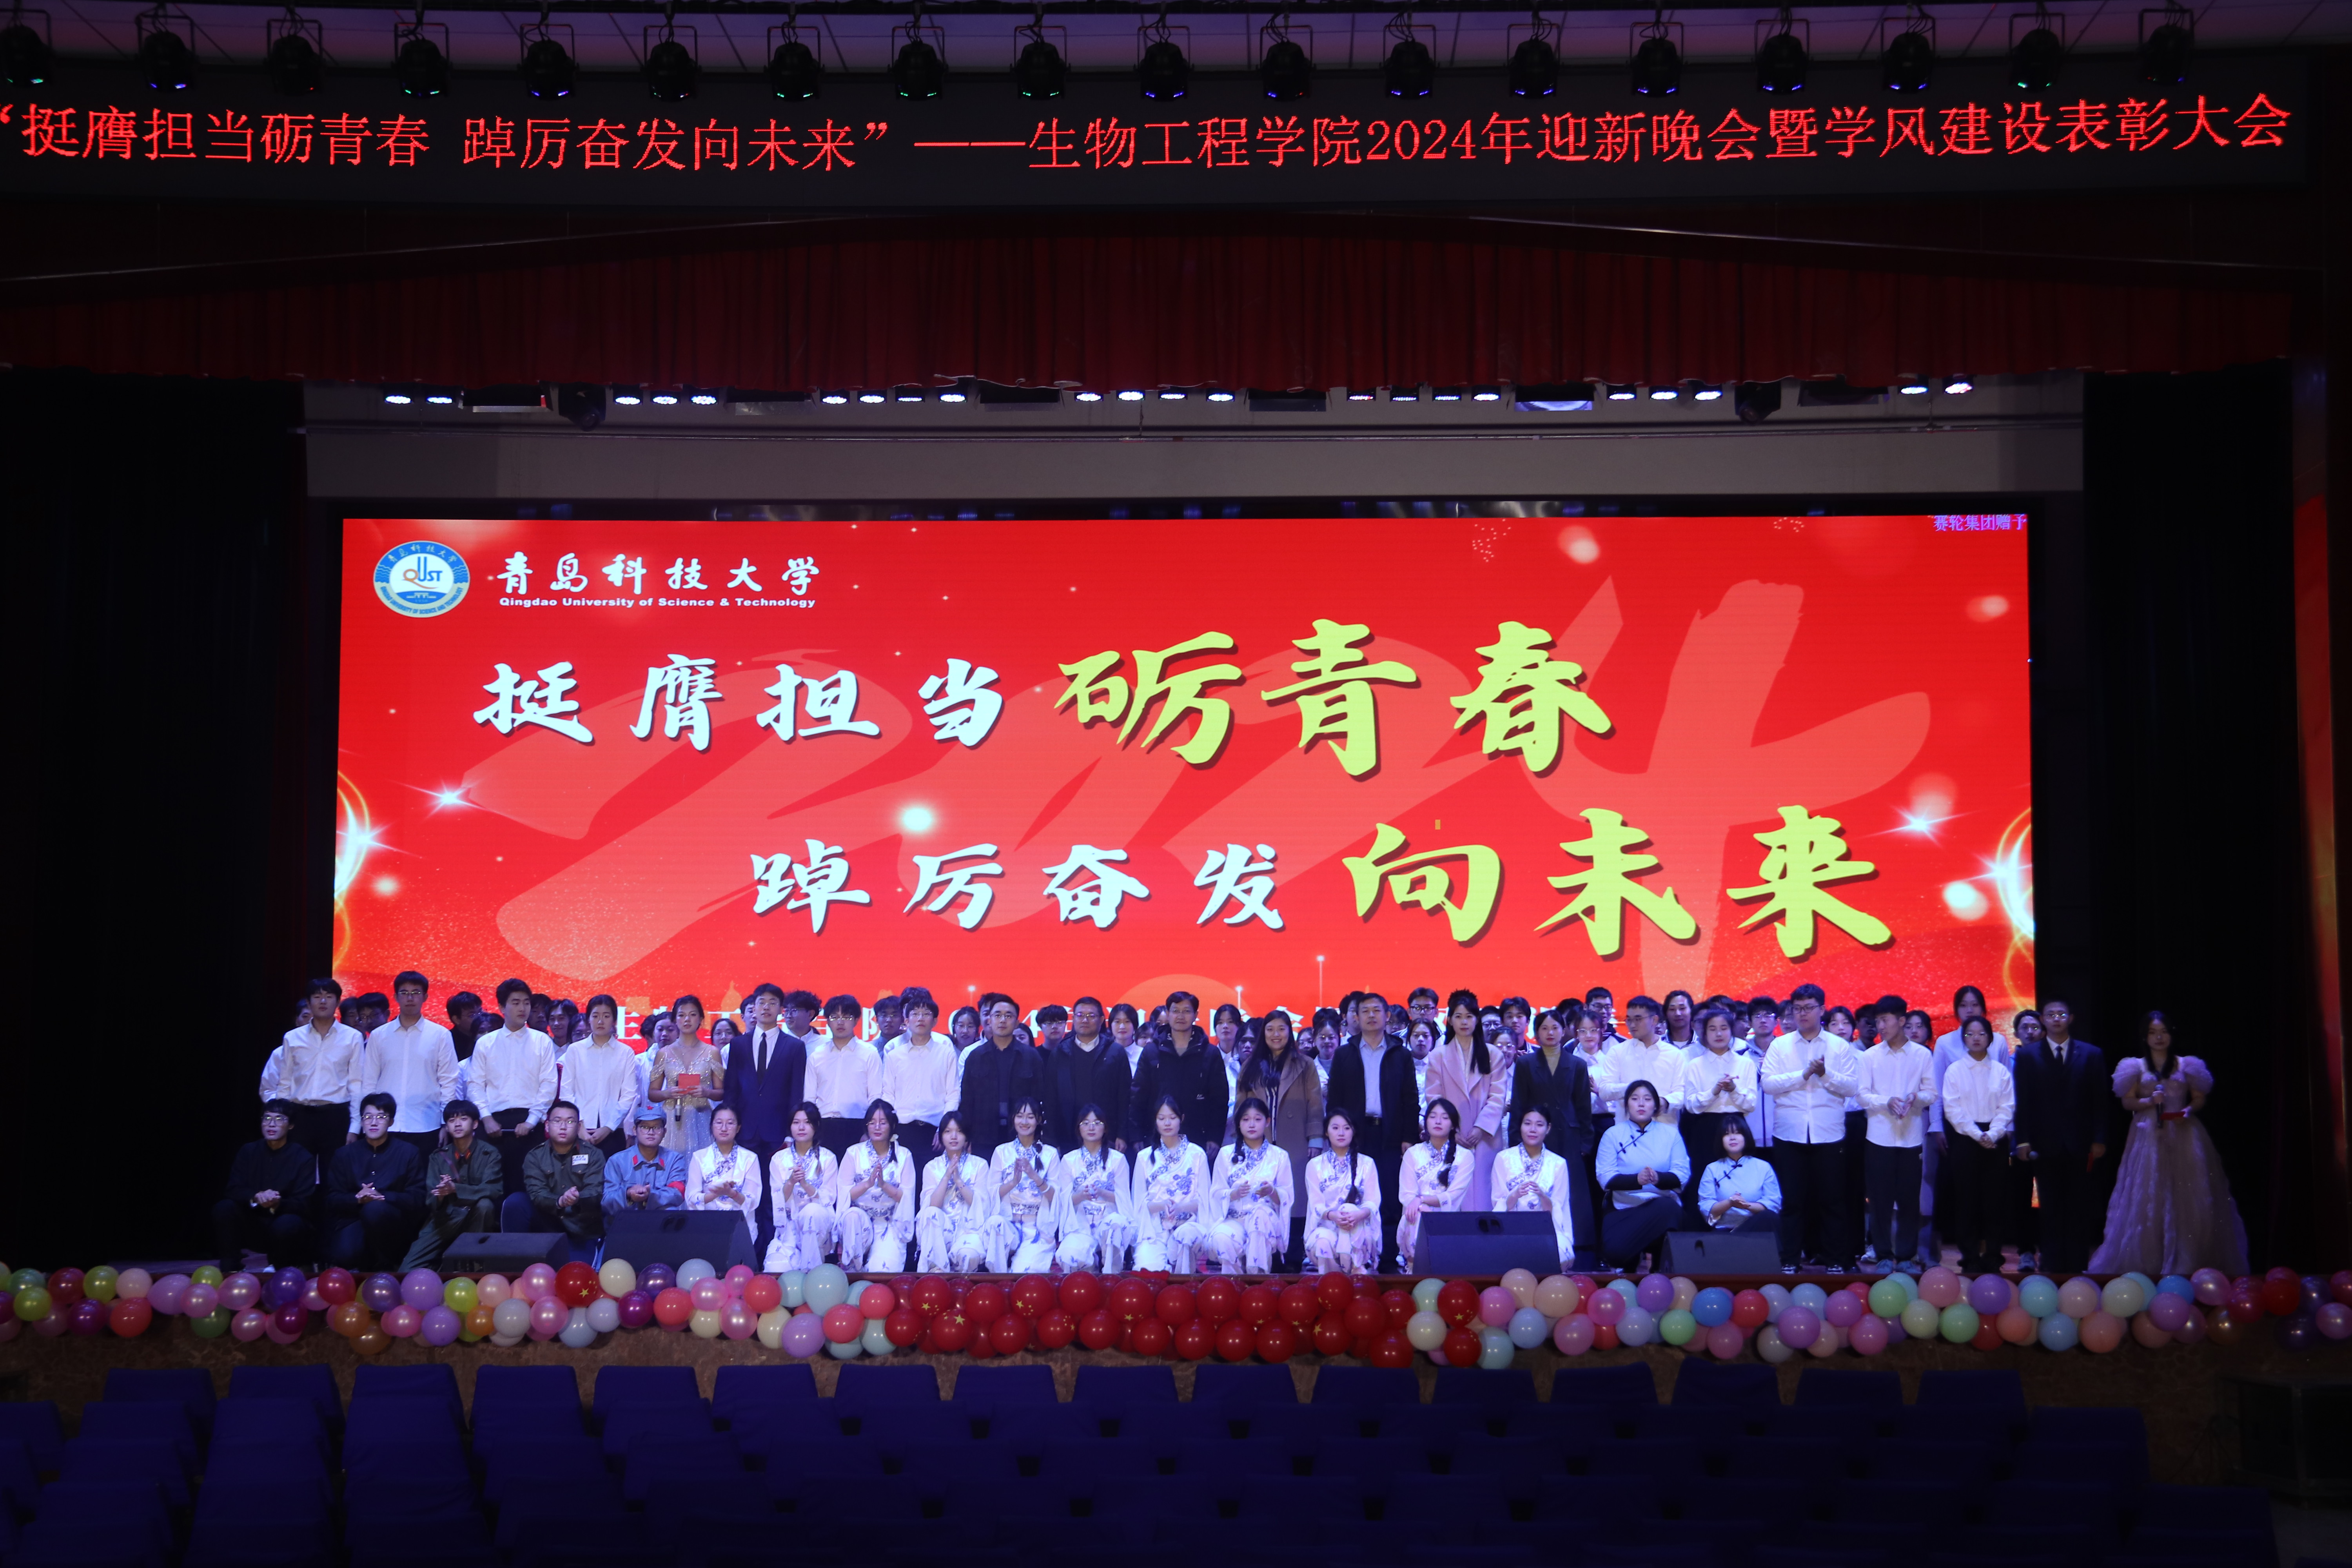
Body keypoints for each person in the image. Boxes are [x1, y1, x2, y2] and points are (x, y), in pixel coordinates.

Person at [2089, 1011, 2249, 1278]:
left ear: (2171, 1034)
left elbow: (2199, 1098)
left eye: (2163, 1032)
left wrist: (2189, 1110)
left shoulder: (2187, 1065)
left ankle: (2188, 1259)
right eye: (2153, 1033)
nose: (2159, 1037)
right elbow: (2127, 1102)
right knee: (2147, 1192)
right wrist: (2148, 1102)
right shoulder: (2135, 1067)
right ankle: (2148, 1260)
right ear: (2145, 1037)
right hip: (2148, 1134)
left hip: (2184, 1133)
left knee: (2189, 1194)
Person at [1760, 983, 1860, 1272]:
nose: (1802, 1014)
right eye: (1797, 1009)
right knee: (1792, 1201)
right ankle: (1790, 1260)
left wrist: (1825, 1074)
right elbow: (1768, 1084)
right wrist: (1803, 1074)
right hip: (1789, 1133)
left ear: (1822, 1010)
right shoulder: (1780, 1045)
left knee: (1832, 1201)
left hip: (1829, 1133)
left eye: (1809, 1008)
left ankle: (1835, 1260)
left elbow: (1852, 1087)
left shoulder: (1839, 1046)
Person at [2014, 997, 2112, 1276]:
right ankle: (2052, 1265)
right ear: (2043, 1020)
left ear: (2071, 1019)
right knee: (2050, 1207)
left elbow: (2100, 1101)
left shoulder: (2091, 1054)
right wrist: (2022, 1140)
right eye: (2051, 1015)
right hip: (2044, 1143)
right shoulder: (2028, 1056)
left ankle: (2078, 1266)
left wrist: (2100, 1138)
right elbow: (2023, 1101)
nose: (2056, 1019)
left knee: (2078, 1206)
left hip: (2080, 1142)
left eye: (2061, 1014)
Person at [1325, 991, 1415, 1271]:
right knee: (1355, 1194)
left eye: (1377, 1010)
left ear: (1387, 1016)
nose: (1371, 1016)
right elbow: (1335, 1099)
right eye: (1365, 1011)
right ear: (1356, 1017)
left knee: (1389, 1197)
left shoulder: (1401, 1054)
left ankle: (1387, 1259)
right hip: (1356, 1136)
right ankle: (1354, 1258)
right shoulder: (1345, 1054)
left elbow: (1410, 1099)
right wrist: (1337, 1136)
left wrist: (1408, 1138)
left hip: (1390, 1135)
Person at [724, 982, 808, 1259]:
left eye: (773, 1003)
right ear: (754, 1008)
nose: (766, 1008)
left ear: (781, 1009)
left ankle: (772, 1253)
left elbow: (796, 1094)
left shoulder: (794, 1047)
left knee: (775, 1195)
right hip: (745, 1132)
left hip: (777, 1135)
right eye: (762, 1002)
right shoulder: (738, 1045)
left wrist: (790, 1134)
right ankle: (747, 1252)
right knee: (748, 1193)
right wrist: (731, 1129)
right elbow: (731, 1090)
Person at [1234, 1011, 1322, 1268]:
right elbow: (1241, 1107)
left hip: (1295, 1140)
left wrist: (1316, 1139)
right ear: (1263, 1033)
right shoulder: (1250, 1066)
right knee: (1259, 1195)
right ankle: (1263, 1255)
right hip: (1257, 1143)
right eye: (1270, 1029)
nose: (1276, 1035)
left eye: (1281, 1029)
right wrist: (1239, 1141)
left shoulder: (1305, 1064)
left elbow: (1315, 1103)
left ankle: (1292, 1256)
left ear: (1289, 1032)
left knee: (1294, 1197)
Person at [1855, 1000, 1936, 1275]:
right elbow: (1862, 1095)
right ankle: (1883, 1254)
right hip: (1879, 1138)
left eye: (1885, 1020)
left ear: (1902, 1021)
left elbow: (1932, 1093)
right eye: (1877, 1021)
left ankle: (1906, 1255)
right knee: (1879, 1201)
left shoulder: (1922, 1055)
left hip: (1911, 1137)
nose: (1880, 1026)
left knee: (1909, 1200)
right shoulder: (1870, 1057)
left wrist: (1915, 1098)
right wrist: (1886, 1102)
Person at [261, 977, 368, 1171]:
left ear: (338, 1002)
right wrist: (283, 1120)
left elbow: (356, 1084)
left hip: (336, 1116)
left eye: (329, 997)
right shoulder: (292, 1038)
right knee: (297, 1175)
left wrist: (355, 1127)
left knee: (334, 1176)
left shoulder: (352, 1037)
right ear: (309, 1002)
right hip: (300, 1115)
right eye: (317, 997)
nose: (323, 1001)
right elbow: (285, 1084)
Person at [1937, 1016, 2014, 1274]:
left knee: (1995, 1201)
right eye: (1970, 1034)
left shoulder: (2001, 1071)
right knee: (1966, 1201)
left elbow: (2007, 1107)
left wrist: (1993, 1134)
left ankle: (1993, 1256)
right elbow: (1952, 1108)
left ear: (1990, 1038)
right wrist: (1976, 1134)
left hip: (1995, 1140)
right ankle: (1969, 1257)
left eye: (1982, 1034)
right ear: (1964, 1040)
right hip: (1965, 1140)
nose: (1976, 1038)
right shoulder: (1955, 1070)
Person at [472, 977, 559, 1198]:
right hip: (493, 1125)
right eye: (516, 1002)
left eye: (527, 1003)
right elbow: (475, 1085)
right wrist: (486, 1118)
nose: (523, 1008)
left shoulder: (542, 1041)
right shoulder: (485, 1043)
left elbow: (549, 1084)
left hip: (530, 1124)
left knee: (529, 1189)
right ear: (502, 1007)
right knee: (492, 1190)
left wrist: (532, 1121)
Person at [321, 1093, 425, 1272]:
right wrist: (358, 1198)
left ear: (391, 1121)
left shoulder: (409, 1152)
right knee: (345, 1255)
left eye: (381, 1117)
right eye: (368, 1117)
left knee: (375, 1209)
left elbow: (418, 1197)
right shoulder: (344, 1154)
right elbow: (332, 1199)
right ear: (362, 1122)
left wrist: (382, 1197)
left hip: (394, 1223)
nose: (374, 1122)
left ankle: (389, 1263)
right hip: (354, 1218)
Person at [1426, 990, 1510, 1211]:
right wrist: (1452, 1131)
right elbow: (1434, 1098)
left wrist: (1480, 1128)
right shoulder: (1438, 1056)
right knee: (1453, 1193)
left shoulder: (1493, 1054)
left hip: (1486, 1137)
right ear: (1450, 1020)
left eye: (1469, 1016)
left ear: (1477, 1020)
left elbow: (1498, 1096)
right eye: (1459, 1016)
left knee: (1484, 1194)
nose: (1464, 1022)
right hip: (1451, 1136)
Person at [1592, 1082, 1687, 1274]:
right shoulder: (1612, 1134)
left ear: (1656, 1106)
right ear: (1627, 1105)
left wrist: (1657, 1178)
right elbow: (1605, 1177)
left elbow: (1682, 1175)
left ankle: (1659, 1267)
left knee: (1669, 1208)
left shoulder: (1671, 1134)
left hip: (1661, 1207)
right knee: (1614, 1253)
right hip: (1624, 1208)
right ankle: (1631, 1261)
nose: (1641, 1104)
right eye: (1635, 1099)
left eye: (1647, 1099)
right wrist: (1637, 1180)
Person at [214, 1100, 317, 1273]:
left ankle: (281, 1269)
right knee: (224, 1208)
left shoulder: (302, 1157)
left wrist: (277, 1203)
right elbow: (233, 1189)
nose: (272, 1124)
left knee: (288, 1223)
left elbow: (305, 1204)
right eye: (267, 1118)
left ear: (291, 1126)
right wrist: (256, 1196)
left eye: (279, 1119)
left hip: (284, 1223)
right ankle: (230, 1268)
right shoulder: (248, 1151)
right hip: (253, 1221)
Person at [1677, 1006, 1759, 1224]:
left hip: (1736, 1127)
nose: (1719, 1034)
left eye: (1724, 1028)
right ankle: (1700, 1232)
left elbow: (1751, 1104)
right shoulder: (1694, 1065)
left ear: (1732, 1031)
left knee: (1738, 1178)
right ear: (1704, 1034)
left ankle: (1739, 1228)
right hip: (1704, 1128)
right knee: (1702, 1180)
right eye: (1712, 1029)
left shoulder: (1745, 1063)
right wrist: (1714, 1091)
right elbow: (1691, 1105)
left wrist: (1734, 1090)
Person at [400, 1100, 503, 1270]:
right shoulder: (438, 1157)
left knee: (485, 1205)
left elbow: (494, 1189)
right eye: (452, 1120)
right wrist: (441, 1195)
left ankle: (472, 1265)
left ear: (475, 1124)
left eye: (463, 1119)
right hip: (446, 1218)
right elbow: (431, 1200)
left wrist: (456, 1189)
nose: (457, 1124)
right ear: (447, 1127)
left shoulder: (489, 1154)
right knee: (407, 1270)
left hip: (475, 1217)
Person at [366, 971, 460, 1158]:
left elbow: (449, 1082)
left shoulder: (440, 1035)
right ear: (396, 997)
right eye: (404, 993)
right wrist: (369, 1121)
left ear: (425, 997)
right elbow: (369, 1082)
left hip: (427, 1124)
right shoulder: (379, 1036)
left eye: (416, 993)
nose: (410, 998)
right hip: (387, 1125)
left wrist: (445, 1123)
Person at [1201, 1096, 1294, 1275]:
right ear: (1238, 1123)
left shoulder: (1279, 1156)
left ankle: (1257, 1277)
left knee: (1259, 1216)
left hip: (1265, 1220)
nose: (1252, 1125)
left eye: (1258, 1119)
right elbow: (1216, 1192)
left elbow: (1287, 1196)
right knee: (1222, 1238)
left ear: (1267, 1122)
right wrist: (1233, 1194)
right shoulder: (1225, 1154)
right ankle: (1233, 1283)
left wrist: (1272, 1191)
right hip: (1234, 1219)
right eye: (1246, 1119)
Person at [1127, 991, 1227, 1149]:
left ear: (1196, 1015)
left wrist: (1215, 1138)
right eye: (1175, 1011)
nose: (1181, 1016)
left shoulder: (1210, 1053)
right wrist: (1136, 1136)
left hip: (1198, 1138)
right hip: (1156, 1137)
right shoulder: (1152, 1051)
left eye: (1187, 1011)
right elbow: (1138, 1096)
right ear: (1168, 1014)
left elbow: (1219, 1100)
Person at [517, 1100, 608, 1264]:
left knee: (578, 1274)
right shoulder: (535, 1156)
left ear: (579, 1127)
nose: (564, 1127)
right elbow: (537, 1194)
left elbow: (596, 1192)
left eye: (570, 1122)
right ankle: (515, 1253)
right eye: (557, 1121)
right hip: (548, 1226)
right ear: (547, 1126)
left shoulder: (594, 1155)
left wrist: (577, 1198)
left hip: (582, 1229)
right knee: (516, 1202)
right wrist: (560, 1201)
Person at [1491, 1105, 1578, 1273]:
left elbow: (1560, 1208)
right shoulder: (1503, 1158)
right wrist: (1515, 1195)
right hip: (1511, 1228)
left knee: (1560, 1254)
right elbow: (1498, 1204)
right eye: (1528, 1123)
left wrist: (1544, 1197)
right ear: (1520, 1126)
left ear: (1548, 1128)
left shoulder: (1558, 1163)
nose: (1533, 1130)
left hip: (1547, 1229)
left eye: (1539, 1125)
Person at [1131, 1094, 1210, 1272]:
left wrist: (1180, 1208)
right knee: (1147, 1269)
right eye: (1162, 1119)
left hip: (1189, 1225)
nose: (1167, 1123)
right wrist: (1163, 1205)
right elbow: (1139, 1204)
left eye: (1172, 1118)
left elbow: (1205, 1201)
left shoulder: (1196, 1154)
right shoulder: (1144, 1157)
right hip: (1154, 1229)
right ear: (1155, 1121)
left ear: (1182, 1119)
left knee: (1186, 1239)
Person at [1043, 995, 1131, 1155]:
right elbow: (1051, 1100)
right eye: (1080, 1015)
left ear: (1102, 1020)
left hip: (1108, 1136)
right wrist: (1052, 1140)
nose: (1085, 1020)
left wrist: (1122, 1135)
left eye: (1091, 1016)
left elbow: (1125, 1097)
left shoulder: (1115, 1052)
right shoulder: (1060, 1053)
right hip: (1068, 1136)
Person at [1052, 1106, 1136, 1273]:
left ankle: (1112, 1272)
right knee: (1067, 1257)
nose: (1091, 1128)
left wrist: (1103, 1193)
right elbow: (1063, 1201)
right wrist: (1081, 1196)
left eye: (1097, 1123)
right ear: (1079, 1128)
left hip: (1109, 1221)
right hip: (1080, 1225)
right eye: (1086, 1123)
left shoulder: (1118, 1159)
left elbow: (1125, 1199)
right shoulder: (1069, 1160)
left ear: (1105, 1128)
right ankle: (1091, 1262)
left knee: (1116, 1225)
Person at [959, 993, 1045, 1155]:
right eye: (998, 1015)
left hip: (1021, 1135)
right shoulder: (975, 1057)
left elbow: (1039, 1098)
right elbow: (967, 1101)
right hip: (982, 1136)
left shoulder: (1031, 1057)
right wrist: (966, 1135)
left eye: (1009, 1016)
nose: (1003, 1020)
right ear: (989, 1020)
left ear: (1017, 1022)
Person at [834, 1100, 915, 1272]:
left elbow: (906, 1197)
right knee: (852, 1216)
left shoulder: (904, 1155)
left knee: (882, 1273)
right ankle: (852, 1267)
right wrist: (868, 1184)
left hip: (889, 1223)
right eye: (872, 1122)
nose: (877, 1127)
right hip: (859, 1222)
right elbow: (844, 1194)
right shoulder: (854, 1153)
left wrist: (884, 1185)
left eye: (883, 1123)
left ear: (892, 1126)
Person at [1396, 1098, 1474, 1274]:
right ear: (1426, 1123)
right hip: (1415, 1216)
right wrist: (1421, 1208)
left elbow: (1454, 1195)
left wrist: (1422, 1200)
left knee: (1424, 1217)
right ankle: (1413, 1268)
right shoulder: (1413, 1153)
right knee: (1419, 1217)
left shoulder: (1465, 1157)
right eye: (1433, 1117)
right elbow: (1407, 1194)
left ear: (1453, 1126)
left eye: (1445, 1118)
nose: (1438, 1121)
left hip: (1446, 1217)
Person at [558, 995, 641, 1158]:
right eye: (595, 1016)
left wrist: (608, 1127)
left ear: (615, 1021)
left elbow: (628, 1095)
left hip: (613, 1131)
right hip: (579, 1130)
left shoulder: (626, 1053)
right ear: (589, 1020)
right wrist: (579, 1125)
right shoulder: (575, 1051)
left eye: (606, 1016)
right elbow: (566, 1092)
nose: (601, 1021)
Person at [883, 987, 960, 1160]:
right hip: (901, 1129)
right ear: (907, 1021)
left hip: (935, 1131)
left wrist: (945, 1129)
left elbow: (953, 1094)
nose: (920, 1018)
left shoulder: (946, 1053)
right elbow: (888, 1094)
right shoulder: (895, 1055)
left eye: (926, 1014)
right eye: (915, 1014)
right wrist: (890, 1127)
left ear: (935, 1021)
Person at [1303, 1107, 1381, 1276]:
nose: (1341, 1133)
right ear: (1327, 1132)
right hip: (1326, 1228)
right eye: (1335, 1128)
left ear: (1353, 1132)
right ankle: (1332, 1282)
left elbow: (1373, 1202)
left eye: (1347, 1128)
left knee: (1349, 1209)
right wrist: (1334, 1216)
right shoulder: (1314, 1165)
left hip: (1358, 1229)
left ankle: (1354, 1270)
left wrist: (1358, 1215)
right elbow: (1316, 1204)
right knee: (1323, 1242)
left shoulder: (1367, 1164)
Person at [805, 993, 884, 1158]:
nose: (840, 1022)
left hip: (858, 1126)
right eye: (835, 1017)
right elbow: (809, 1099)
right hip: (823, 1126)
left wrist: (869, 1131)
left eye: (847, 1017)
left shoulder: (869, 1054)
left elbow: (876, 1097)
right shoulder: (817, 1056)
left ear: (856, 1021)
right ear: (827, 1021)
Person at [987, 1096, 1060, 1271]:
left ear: (1039, 1120)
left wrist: (1035, 1176)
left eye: (1030, 1117)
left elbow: (1056, 1197)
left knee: (1024, 1272)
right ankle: (997, 1278)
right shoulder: (1002, 1152)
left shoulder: (1050, 1154)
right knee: (994, 1223)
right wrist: (1014, 1182)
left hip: (1036, 1228)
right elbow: (991, 1193)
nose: (1025, 1122)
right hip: (1008, 1223)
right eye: (1020, 1116)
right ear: (1013, 1119)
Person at [684, 1105, 762, 1267]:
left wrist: (732, 1194)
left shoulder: (750, 1158)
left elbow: (753, 1200)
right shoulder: (699, 1157)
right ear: (712, 1126)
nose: (724, 1128)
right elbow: (691, 1198)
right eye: (719, 1123)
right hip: (708, 1225)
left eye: (730, 1123)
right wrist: (714, 1194)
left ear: (738, 1128)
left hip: (741, 1226)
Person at [916, 1111, 993, 1273]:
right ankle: (937, 1275)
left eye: (959, 1131)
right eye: (948, 1132)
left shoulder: (980, 1165)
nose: (954, 1137)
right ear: (941, 1136)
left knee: (968, 1256)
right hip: (940, 1230)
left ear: (966, 1137)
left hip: (969, 1230)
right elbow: (931, 1207)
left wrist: (958, 1180)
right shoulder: (932, 1167)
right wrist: (946, 1176)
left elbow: (982, 1206)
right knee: (930, 1213)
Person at [764, 1103, 838, 1272]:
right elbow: (777, 1199)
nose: (802, 1127)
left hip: (818, 1225)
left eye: (807, 1122)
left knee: (811, 1212)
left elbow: (829, 1198)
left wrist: (805, 1184)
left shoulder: (828, 1158)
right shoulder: (779, 1159)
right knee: (774, 1268)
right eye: (796, 1123)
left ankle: (813, 1273)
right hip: (789, 1227)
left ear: (816, 1126)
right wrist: (791, 1182)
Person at [649, 999, 724, 1155]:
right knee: (672, 1165)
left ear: (701, 1019)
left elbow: (721, 1092)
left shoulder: (712, 1052)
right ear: (675, 1020)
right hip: (672, 1118)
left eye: (693, 1015)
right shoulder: (664, 1053)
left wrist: (706, 1092)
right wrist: (667, 1093)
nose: (687, 1020)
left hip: (702, 1117)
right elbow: (652, 1093)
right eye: (682, 1015)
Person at [605, 1103, 688, 1224]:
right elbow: (607, 1202)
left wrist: (651, 1196)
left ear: (665, 1132)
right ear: (635, 1130)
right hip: (626, 1224)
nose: (651, 1132)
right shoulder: (617, 1161)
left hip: (661, 1223)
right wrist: (628, 1194)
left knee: (672, 1212)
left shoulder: (675, 1159)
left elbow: (678, 1193)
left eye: (657, 1127)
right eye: (645, 1127)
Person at [1697, 1124, 1781, 1236]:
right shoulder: (1712, 1169)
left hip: (1756, 1230)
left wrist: (1746, 1205)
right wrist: (1730, 1203)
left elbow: (1773, 1204)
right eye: (1727, 1134)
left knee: (1769, 1217)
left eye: (1738, 1133)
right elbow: (1706, 1207)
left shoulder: (1763, 1167)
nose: (1732, 1138)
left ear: (1746, 1137)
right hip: (1724, 1231)